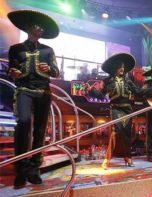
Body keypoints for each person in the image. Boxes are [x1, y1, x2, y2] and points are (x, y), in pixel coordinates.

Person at [7, 10, 60, 188]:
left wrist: (49, 70)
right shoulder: (15, 49)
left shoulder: (48, 50)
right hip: (23, 90)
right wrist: (13, 72)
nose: (41, 29)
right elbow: (11, 70)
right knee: (23, 122)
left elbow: (56, 72)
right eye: (38, 26)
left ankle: (34, 168)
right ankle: (21, 169)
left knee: (39, 130)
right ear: (29, 27)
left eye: (43, 27)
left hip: (43, 92)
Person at [86, 53, 152, 169]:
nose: (122, 69)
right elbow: (100, 95)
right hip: (115, 108)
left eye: (123, 67)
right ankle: (107, 159)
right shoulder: (108, 81)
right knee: (115, 133)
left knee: (127, 134)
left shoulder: (128, 81)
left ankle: (128, 157)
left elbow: (138, 92)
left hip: (127, 109)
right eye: (120, 67)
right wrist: (91, 91)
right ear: (115, 68)